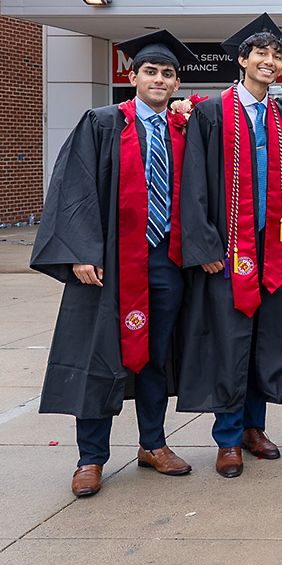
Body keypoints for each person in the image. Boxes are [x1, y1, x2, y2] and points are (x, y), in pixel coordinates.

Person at [32, 30, 198, 497]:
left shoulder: (183, 130)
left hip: (165, 260)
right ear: (133, 75)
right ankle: (91, 457)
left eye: (168, 73)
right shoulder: (104, 122)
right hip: (109, 264)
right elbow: (75, 189)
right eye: (151, 71)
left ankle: (153, 444)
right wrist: (81, 251)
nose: (160, 79)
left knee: (154, 357)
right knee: (100, 353)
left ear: (177, 82)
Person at [178, 13, 282, 478]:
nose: (270, 61)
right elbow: (194, 187)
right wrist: (205, 245)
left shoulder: (280, 115)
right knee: (229, 343)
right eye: (261, 54)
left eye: (277, 56)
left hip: (272, 248)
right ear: (242, 59)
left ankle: (253, 427)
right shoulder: (211, 112)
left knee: (265, 341)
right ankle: (227, 439)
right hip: (228, 250)